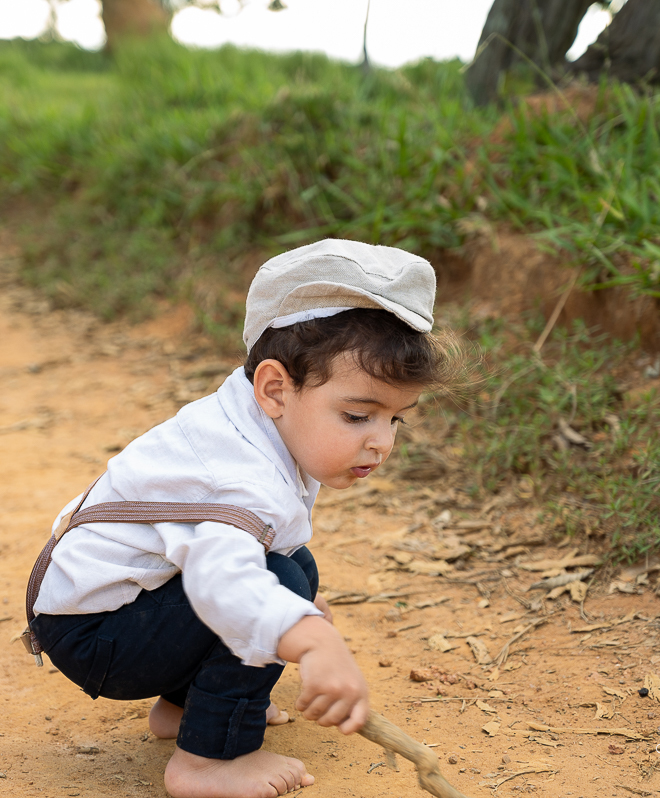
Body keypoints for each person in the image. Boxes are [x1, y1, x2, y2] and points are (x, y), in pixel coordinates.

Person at [27, 239, 464, 798]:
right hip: (98, 636)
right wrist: (307, 638)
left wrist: (297, 608)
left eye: (397, 420)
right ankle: (207, 763)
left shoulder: (251, 419)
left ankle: (186, 709)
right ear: (275, 388)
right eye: (358, 416)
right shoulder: (239, 473)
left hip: (112, 612)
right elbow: (221, 580)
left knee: (292, 569)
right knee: (278, 582)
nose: (380, 443)